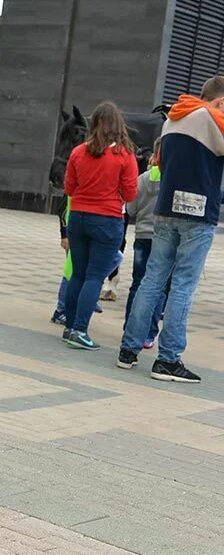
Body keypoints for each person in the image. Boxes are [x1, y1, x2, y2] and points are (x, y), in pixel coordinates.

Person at [118, 77, 224, 383]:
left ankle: (129, 350)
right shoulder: (210, 118)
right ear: (219, 102)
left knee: (152, 282)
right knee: (182, 287)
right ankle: (168, 359)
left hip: (164, 210)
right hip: (198, 214)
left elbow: (161, 164)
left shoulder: (172, 120)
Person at [62, 100, 137, 350]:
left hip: (79, 218)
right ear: (118, 126)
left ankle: (69, 326)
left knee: (78, 274)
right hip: (107, 220)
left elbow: (70, 188)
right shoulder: (124, 156)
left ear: (93, 124)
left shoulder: (78, 152)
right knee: (95, 276)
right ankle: (81, 330)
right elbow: (130, 193)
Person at [123, 138, 168, 351]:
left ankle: (129, 328)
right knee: (158, 288)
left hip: (142, 237)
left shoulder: (143, 178)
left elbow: (129, 209)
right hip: (164, 240)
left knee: (137, 284)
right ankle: (149, 334)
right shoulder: (173, 179)